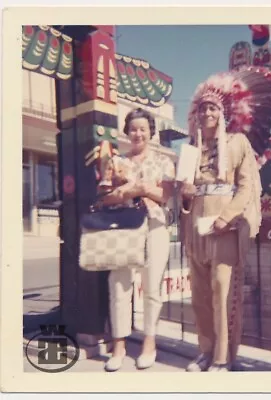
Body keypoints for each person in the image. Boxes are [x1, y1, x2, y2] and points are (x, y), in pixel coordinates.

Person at [179, 66, 271, 372]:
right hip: (196, 228)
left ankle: (224, 357)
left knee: (222, 291)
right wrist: (186, 195)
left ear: (223, 110)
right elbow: (183, 194)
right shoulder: (190, 148)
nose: (207, 113)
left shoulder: (238, 143)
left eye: (212, 107)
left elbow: (247, 187)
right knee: (200, 294)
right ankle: (205, 350)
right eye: (202, 108)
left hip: (225, 228)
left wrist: (227, 217)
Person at [99, 108, 175, 372]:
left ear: (151, 132)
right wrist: (130, 191)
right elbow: (105, 197)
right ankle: (118, 346)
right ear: (127, 132)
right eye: (133, 128)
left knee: (152, 287)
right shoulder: (116, 162)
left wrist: (139, 188)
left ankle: (149, 343)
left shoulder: (164, 162)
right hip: (124, 227)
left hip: (155, 227)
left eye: (143, 128)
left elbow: (165, 196)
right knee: (119, 285)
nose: (138, 133)